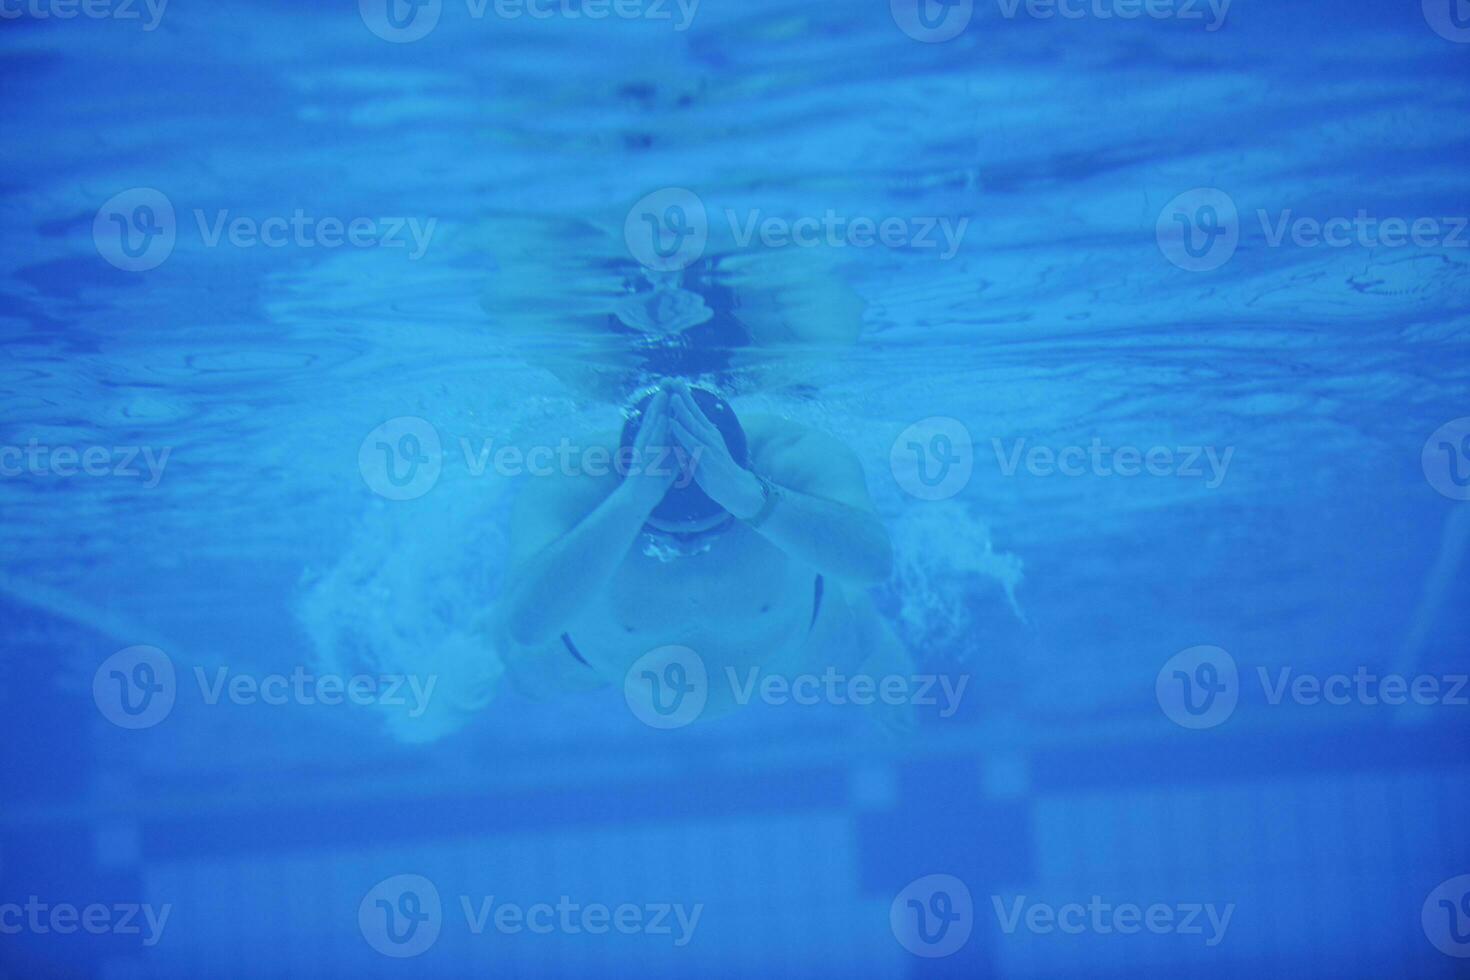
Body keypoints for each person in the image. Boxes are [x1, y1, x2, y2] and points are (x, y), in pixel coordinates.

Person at [491, 380, 916, 730]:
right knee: (510, 663)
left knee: (859, 621)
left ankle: (872, 630)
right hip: (585, 660)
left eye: (713, 529)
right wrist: (633, 500)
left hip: (801, 638)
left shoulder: (790, 455)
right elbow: (527, 625)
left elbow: (873, 560)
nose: (689, 548)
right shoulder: (575, 479)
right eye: (663, 536)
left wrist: (751, 497)